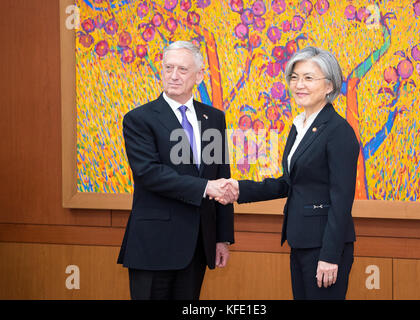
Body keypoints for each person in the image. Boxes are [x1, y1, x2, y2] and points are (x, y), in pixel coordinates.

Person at [219, 46, 359, 300]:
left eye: (308, 78)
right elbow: (289, 183)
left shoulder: (339, 131)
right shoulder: (300, 126)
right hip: (300, 241)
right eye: (294, 77)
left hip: (324, 248)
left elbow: (342, 200)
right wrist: (240, 189)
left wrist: (329, 256)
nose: (298, 85)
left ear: (329, 86)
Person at [117, 41, 234, 300]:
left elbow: (220, 176)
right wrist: (205, 188)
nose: (173, 75)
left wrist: (222, 238)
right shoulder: (139, 119)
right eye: (168, 67)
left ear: (199, 76)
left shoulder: (213, 118)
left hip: (197, 246)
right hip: (153, 246)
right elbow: (149, 174)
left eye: (182, 69)